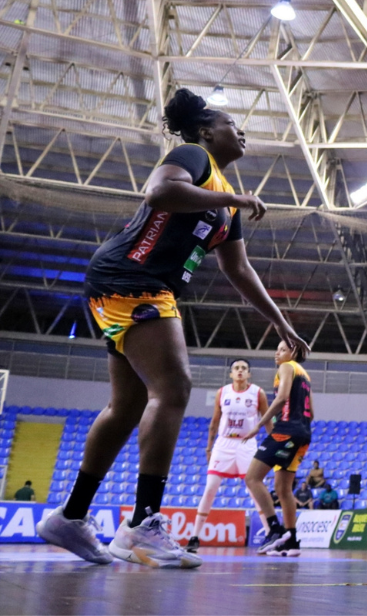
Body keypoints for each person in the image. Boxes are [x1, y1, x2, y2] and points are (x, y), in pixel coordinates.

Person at [36, 88, 309, 569]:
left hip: (133, 284)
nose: (239, 131)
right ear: (206, 131)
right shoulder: (194, 156)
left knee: (127, 407)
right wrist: (233, 196)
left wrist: (284, 325)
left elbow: (239, 271)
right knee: (175, 387)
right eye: (231, 124)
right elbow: (159, 191)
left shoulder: (224, 200)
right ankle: (143, 522)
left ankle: (71, 516)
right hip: (133, 277)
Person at [187, 359, 270, 553]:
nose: (240, 371)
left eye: (244, 368)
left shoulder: (257, 393)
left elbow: (267, 420)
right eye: (236, 368)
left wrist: (273, 443)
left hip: (247, 443)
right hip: (224, 443)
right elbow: (215, 422)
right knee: (210, 488)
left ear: (249, 374)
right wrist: (209, 448)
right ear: (231, 373)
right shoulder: (222, 392)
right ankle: (194, 537)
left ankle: (269, 534)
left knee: (254, 490)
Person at [243, 341, 315, 558]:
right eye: (278, 348)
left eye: (282, 349)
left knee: (252, 478)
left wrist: (258, 425)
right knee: (283, 489)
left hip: (286, 430)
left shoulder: (287, 367)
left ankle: (274, 528)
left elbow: (282, 398)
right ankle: (292, 541)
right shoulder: (306, 376)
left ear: (293, 352)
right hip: (303, 433)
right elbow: (312, 412)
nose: (277, 352)